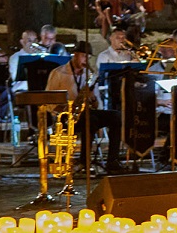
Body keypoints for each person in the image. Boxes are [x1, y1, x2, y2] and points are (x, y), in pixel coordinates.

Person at [46, 41, 123, 173]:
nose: (86, 60)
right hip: (65, 118)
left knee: (116, 116)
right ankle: (84, 161)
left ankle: (113, 161)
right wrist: (67, 109)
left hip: (86, 114)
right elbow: (48, 102)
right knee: (91, 120)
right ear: (75, 55)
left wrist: (92, 97)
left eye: (88, 57)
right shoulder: (58, 73)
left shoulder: (89, 74)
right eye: (83, 56)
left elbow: (97, 104)